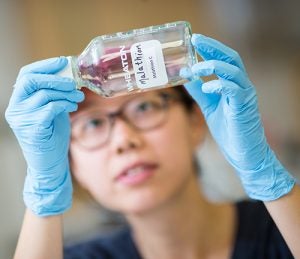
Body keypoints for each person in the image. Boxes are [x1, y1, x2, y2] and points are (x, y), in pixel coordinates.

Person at [5, 33, 300, 259]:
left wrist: (267, 178)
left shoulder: (282, 227)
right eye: (93, 124)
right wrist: (43, 198)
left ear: (196, 120)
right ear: (69, 162)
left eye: (145, 107)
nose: (124, 140)